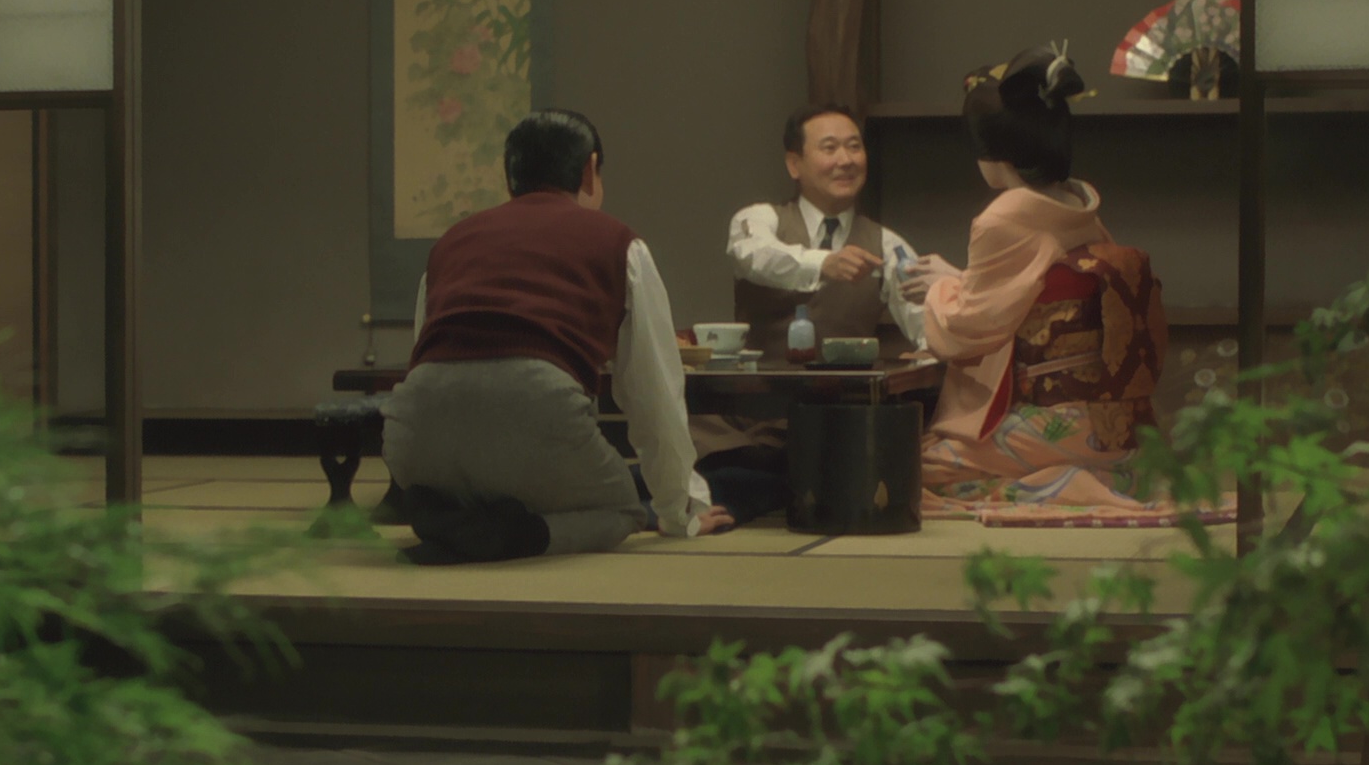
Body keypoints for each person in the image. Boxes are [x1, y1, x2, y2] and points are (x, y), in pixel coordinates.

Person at [383, 110, 735, 564]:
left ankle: (454, 515)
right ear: (590, 170)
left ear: (510, 177)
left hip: (415, 428)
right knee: (623, 510)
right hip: (536, 406)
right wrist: (676, 511)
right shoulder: (619, 243)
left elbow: (425, 352)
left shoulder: (451, 241)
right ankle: (519, 536)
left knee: (488, 470)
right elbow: (653, 393)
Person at [898, 43, 1196, 524]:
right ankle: (1105, 475)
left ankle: (1061, 484)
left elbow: (969, 327)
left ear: (992, 153)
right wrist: (959, 277)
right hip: (1117, 425)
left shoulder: (1003, 217)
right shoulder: (1077, 202)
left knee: (916, 471)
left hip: (1052, 420)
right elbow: (1032, 291)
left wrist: (939, 288)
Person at [680, 103, 949, 526]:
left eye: (854, 147)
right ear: (794, 164)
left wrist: (933, 346)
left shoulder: (887, 244)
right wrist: (823, 263)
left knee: (813, 474)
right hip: (748, 419)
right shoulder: (760, 220)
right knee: (707, 451)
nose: (846, 159)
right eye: (829, 148)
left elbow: (924, 320)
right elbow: (754, 257)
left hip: (833, 423)